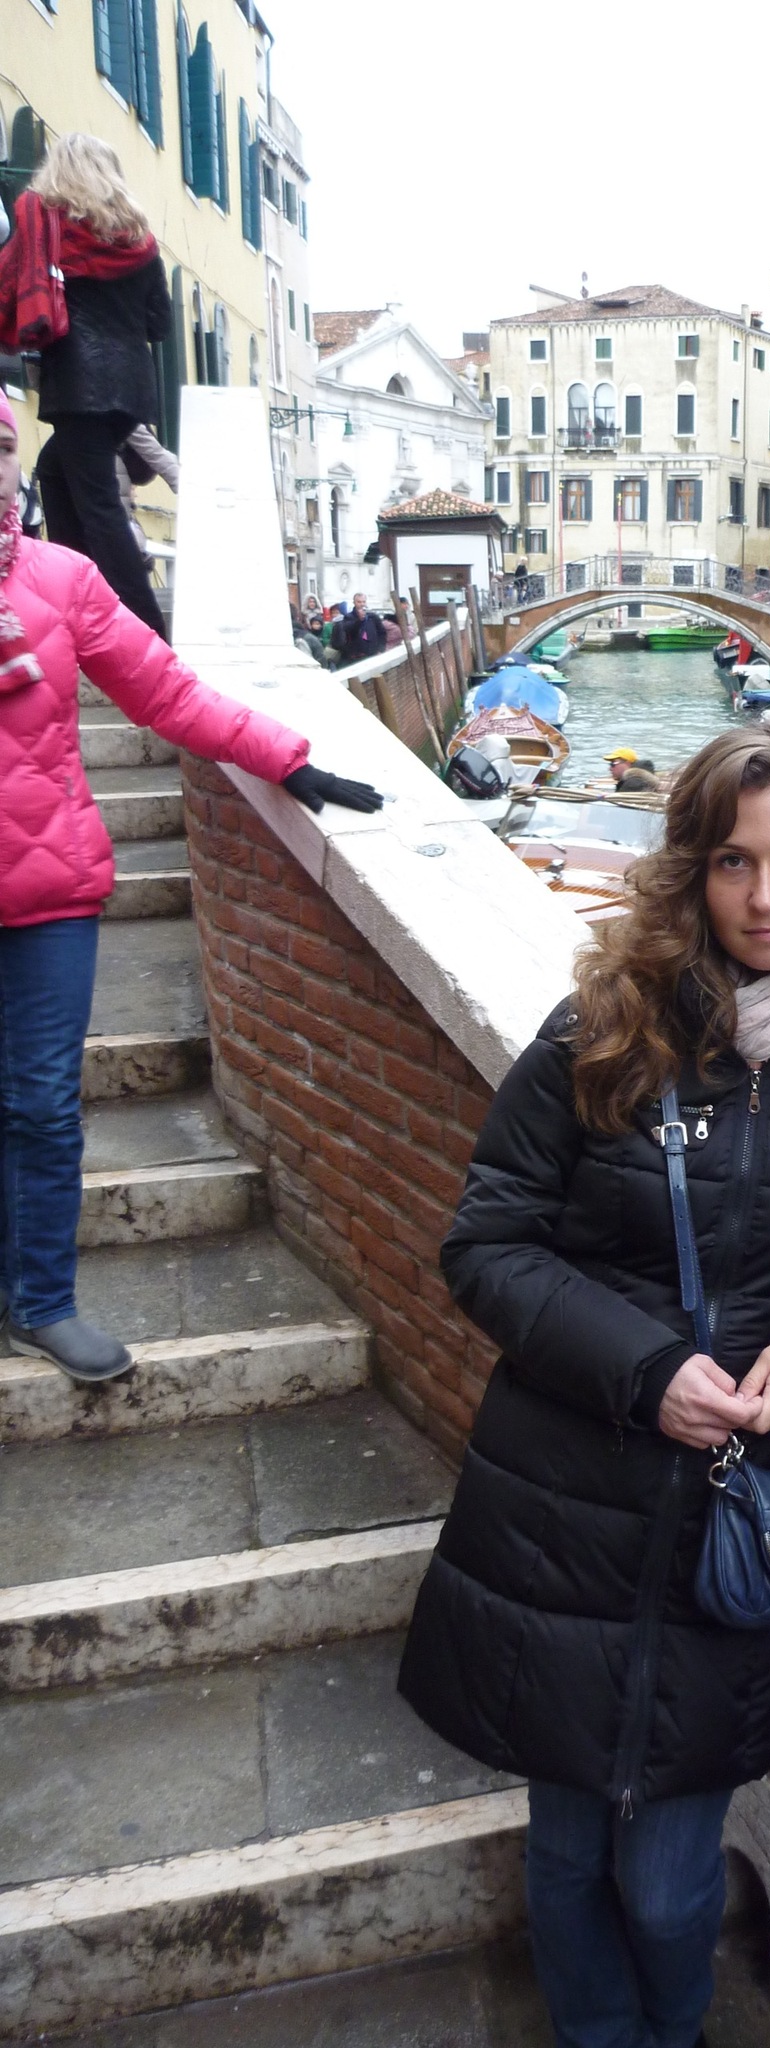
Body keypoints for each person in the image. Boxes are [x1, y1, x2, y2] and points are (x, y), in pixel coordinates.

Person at [399, 721, 770, 2048]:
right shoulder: (603, 1030)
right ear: (691, 873)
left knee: (664, 1884)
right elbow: (485, 1243)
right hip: (563, 1501)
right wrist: (645, 1370)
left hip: (736, 1524)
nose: (767, 897)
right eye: (733, 862)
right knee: (564, 1849)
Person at [0, 391, 384, 1384]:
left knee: (42, 1106)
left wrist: (286, 757)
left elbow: (165, 691)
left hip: (48, 895)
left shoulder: (62, 579)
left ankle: (41, 1300)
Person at [0, 135, 175, 640]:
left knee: (100, 509)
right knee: (54, 473)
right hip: (130, 392)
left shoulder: (48, 232)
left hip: (79, 387)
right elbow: (160, 324)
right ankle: (77, 607)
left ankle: (147, 637)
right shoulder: (140, 242)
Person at [332, 590, 389, 665]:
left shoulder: (373, 617)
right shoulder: (349, 617)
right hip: (356, 656)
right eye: (359, 602)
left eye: (363, 602)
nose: (362, 604)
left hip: (372, 654)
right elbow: (350, 630)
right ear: (354, 603)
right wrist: (359, 620)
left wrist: (381, 649)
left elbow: (382, 633)